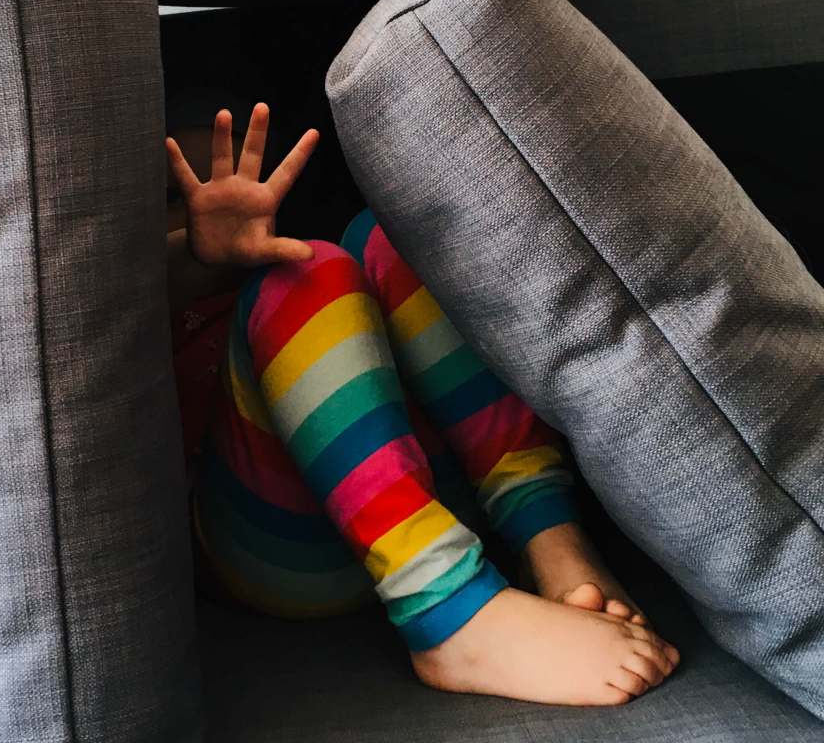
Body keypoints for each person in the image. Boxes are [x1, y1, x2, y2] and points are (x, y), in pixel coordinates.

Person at [165, 97, 682, 707]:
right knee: (303, 275)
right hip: (278, 549)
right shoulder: (135, 309)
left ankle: (548, 536)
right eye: (175, 196)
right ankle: (445, 607)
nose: (215, 200)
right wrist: (196, 255)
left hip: (447, 504)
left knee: (387, 235)